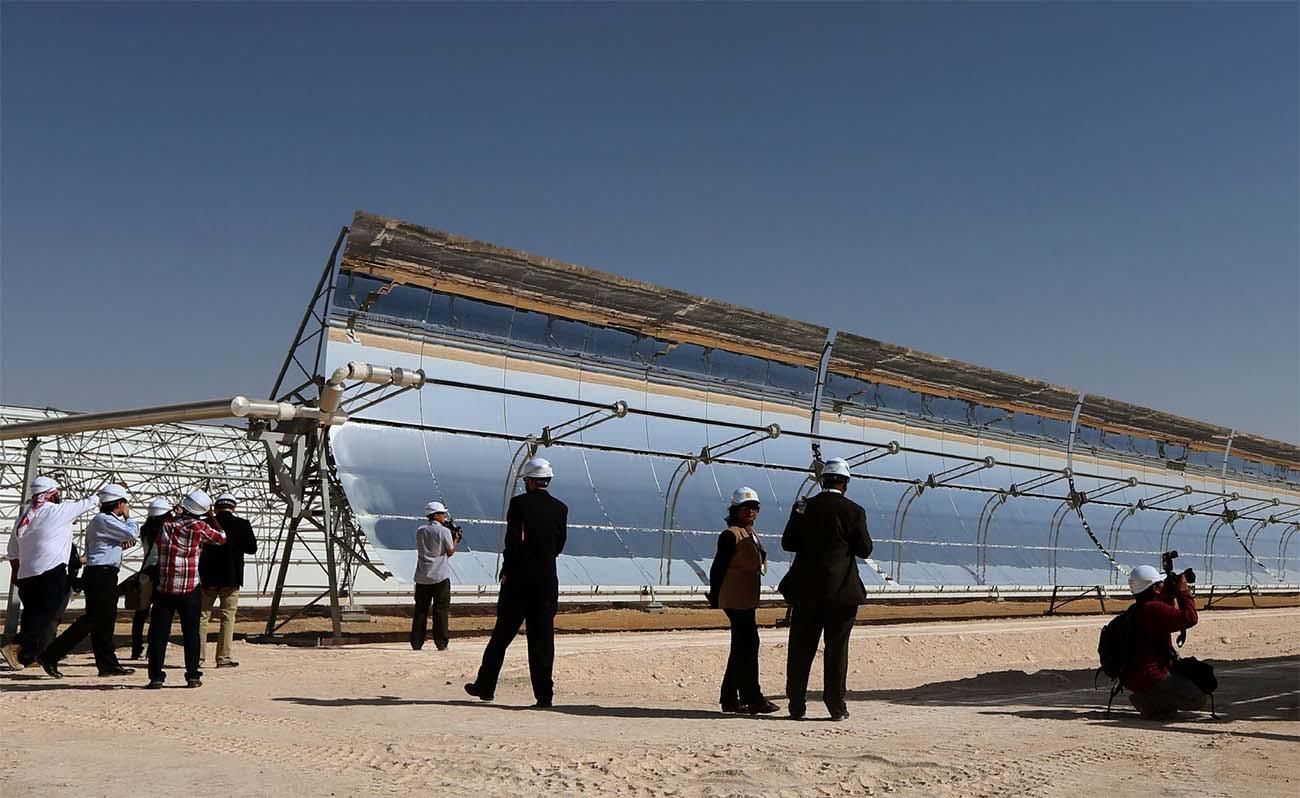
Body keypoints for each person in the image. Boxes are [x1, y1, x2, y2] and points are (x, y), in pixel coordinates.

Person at [466, 456, 567, 708]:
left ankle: (485, 686)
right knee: (542, 640)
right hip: (546, 581)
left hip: (519, 581)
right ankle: (544, 696)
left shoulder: (519, 504)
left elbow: (513, 541)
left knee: (501, 636)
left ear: (531, 481)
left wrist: (508, 569)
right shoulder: (560, 508)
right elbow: (559, 545)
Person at [779, 457, 873, 721]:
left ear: (822, 481)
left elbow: (788, 543)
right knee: (836, 649)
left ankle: (796, 704)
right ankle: (835, 705)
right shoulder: (854, 511)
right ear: (845, 483)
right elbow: (865, 548)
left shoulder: (802, 507)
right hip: (841, 591)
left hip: (806, 590)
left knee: (800, 648)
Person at [2, 477, 101, 671]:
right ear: (52, 494)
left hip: (26, 574)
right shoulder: (58, 511)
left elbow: (12, 551)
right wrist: (111, 491)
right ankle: (15, 646)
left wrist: (16, 572)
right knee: (47, 613)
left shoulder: (24, 517)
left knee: (31, 616)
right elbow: (89, 502)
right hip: (50, 572)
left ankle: (24, 656)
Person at [39, 485, 140, 677]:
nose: (126, 507)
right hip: (100, 574)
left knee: (106, 620)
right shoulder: (104, 519)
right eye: (125, 504)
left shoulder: (106, 521)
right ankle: (51, 654)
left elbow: (119, 541)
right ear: (119, 503)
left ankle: (108, 664)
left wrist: (119, 546)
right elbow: (131, 533)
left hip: (105, 573)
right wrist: (129, 518)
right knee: (93, 619)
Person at [707, 487, 779, 715]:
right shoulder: (731, 535)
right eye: (745, 508)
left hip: (746, 598)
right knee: (748, 645)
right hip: (735, 599)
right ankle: (753, 697)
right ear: (735, 510)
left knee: (742, 647)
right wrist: (716, 596)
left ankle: (729, 698)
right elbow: (718, 568)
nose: (751, 512)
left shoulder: (751, 534)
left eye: (754, 508)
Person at [147, 489, 226, 689]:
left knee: (158, 634)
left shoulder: (165, 526)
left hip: (165, 588)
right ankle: (192, 675)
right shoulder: (199, 526)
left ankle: (156, 676)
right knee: (191, 634)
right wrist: (211, 517)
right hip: (190, 588)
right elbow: (221, 538)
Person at [1123, 564, 1207, 719]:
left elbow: (1167, 615)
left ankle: (1152, 697)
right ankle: (1149, 701)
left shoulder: (1138, 609)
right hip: (1151, 676)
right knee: (1198, 698)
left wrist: (1169, 593)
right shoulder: (1153, 609)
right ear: (1155, 589)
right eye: (1160, 584)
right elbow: (1189, 618)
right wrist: (1183, 591)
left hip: (1133, 676)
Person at [198, 493, 257, 668]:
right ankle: (223, 658)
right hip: (231, 577)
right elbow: (251, 548)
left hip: (207, 576)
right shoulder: (242, 524)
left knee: (202, 617)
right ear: (234, 507)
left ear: (215, 507)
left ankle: (198, 658)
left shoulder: (206, 523)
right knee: (227, 617)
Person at [411, 501, 460, 651]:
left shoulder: (420, 530)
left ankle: (416, 642)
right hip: (440, 576)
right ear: (436, 515)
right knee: (440, 610)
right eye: (442, 514)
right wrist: (456, 539)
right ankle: (441, 643)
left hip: (422, 576)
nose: (444, 517)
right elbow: (449, 551)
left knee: (420, 610)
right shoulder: (444, 532)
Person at [130, 498, 173, 660]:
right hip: (161, 570)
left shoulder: (145, 529)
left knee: (141, 612)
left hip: (146, 570)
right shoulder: (166, 529)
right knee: (160, 612)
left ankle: (136, 648)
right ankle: (153, 647)